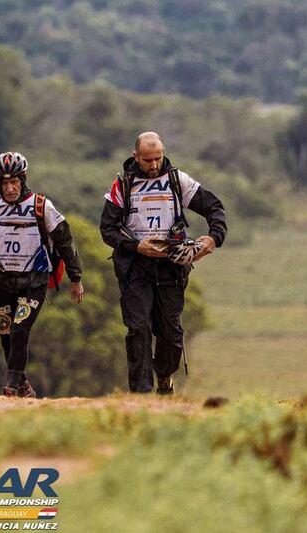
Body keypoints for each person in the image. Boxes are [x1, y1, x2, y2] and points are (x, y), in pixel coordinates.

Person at [100, 132, 227, 395]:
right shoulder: (122, 185)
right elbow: (107, 229)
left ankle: (165, 378)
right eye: (147, 160)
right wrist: (136, 246)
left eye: (158, 158)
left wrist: (213, 238)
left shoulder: (177, 180)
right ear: (136, 157)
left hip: (171, 268)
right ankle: (141, 394)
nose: (154, 165)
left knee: (171, 333)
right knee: (138, 328)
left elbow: (215, 208)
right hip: (136, 268)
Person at [0, 152, 84, 397]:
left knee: (20, 330)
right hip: (2, 282)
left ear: (23, 180)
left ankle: (10, 386)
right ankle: (23, 384)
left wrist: (76, 278)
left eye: (14, 183)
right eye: (4, 184)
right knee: (5, 334)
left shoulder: (42, 206)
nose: (9, 189)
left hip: (34, 281)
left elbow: (65, 242)